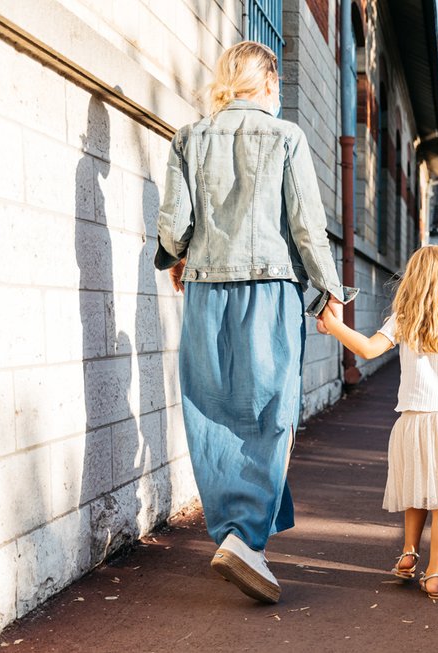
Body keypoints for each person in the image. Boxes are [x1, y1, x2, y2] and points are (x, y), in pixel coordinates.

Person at [154, 41, 355, 604]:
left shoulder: (189, 137)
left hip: (204, 292)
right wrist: (330, 291)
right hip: (269, 290)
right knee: (270, 412)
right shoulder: (286, 136)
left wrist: (179, 259)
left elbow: (173, 227)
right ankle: (247, 540)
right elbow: (309, 227)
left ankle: (238, 537)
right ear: (267, 82)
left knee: (209, 411)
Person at [317, 245, 438, 600]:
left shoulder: (403, 319)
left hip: (412, 423)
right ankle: (434, 574)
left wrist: (334, 325)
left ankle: (408, 553)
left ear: (413, 280)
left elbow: (369, 350)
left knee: (416, 490)